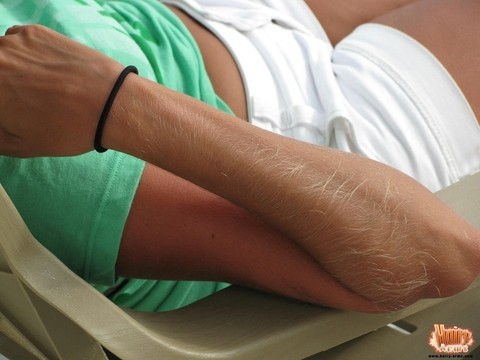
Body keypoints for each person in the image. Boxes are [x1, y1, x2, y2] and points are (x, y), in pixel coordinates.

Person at [0, 0, 478, 313]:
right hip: (308, 134)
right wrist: (114, 104)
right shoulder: (30, 158)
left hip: (199, 17)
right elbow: (438, 259)